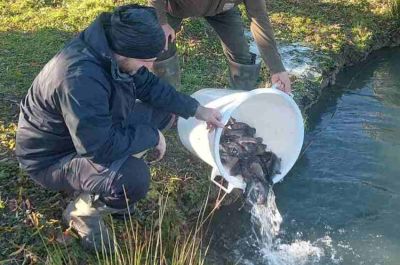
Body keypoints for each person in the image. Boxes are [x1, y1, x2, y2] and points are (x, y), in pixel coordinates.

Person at [15, 4, 223, 251]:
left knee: (165, 111)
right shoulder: (80, 79)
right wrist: (151, 136)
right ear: (125, 53)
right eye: (146, 61)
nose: (149, 67)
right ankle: (83, 213)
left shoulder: (112, 49)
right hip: (51, 158)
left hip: (82, 133)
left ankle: (107, 178)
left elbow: (149, 86)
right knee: (134, 179)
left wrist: (197, 110)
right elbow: (99, 147)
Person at [149, 0, 291, 93]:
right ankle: (168, 104)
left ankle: (241, 101)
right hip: (176, 6)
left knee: (240, 52)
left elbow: (259, 18)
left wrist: (277, 68)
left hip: (222, 9)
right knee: (160, 45)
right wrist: (161, 22)